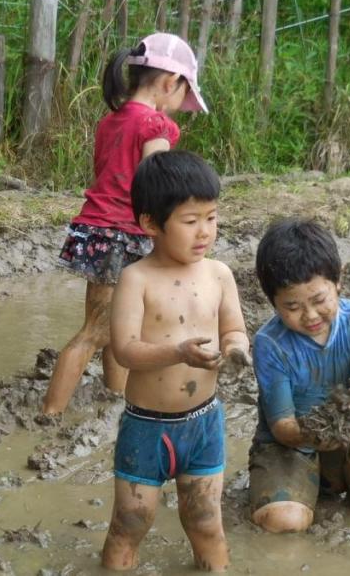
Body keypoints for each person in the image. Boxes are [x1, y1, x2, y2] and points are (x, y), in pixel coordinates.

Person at [41, 32, 209, 415]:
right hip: (122, 236)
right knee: (96, 332)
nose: (177, 109)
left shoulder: (111, 121)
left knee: (118, 327)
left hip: (95, 232)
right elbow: (157, 183)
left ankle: (116, 398)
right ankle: (49, 414)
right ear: (170, 83)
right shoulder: (157, 126)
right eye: (179, 98)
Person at [100, 151, 250, 572]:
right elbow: (125, 349)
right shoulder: (136, 278)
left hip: (204, 424)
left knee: (205, 521)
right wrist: (179, 352)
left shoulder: (219, 274)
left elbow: (235, 330)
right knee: (130, 521)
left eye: (212, 217)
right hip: (147, 426)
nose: (204, 232)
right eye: (190, 221)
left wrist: (236, 351)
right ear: (151, 224)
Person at [249, 219, 350, 533]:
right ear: (273, 302)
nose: (309, 316)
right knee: (285, 522)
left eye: (319, 301)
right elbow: (282, 428)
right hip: (288, 446)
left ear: (338, 282)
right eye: (292, 306)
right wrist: (320, 431)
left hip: (341, 439)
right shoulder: (269, 343)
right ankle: (291, 494)